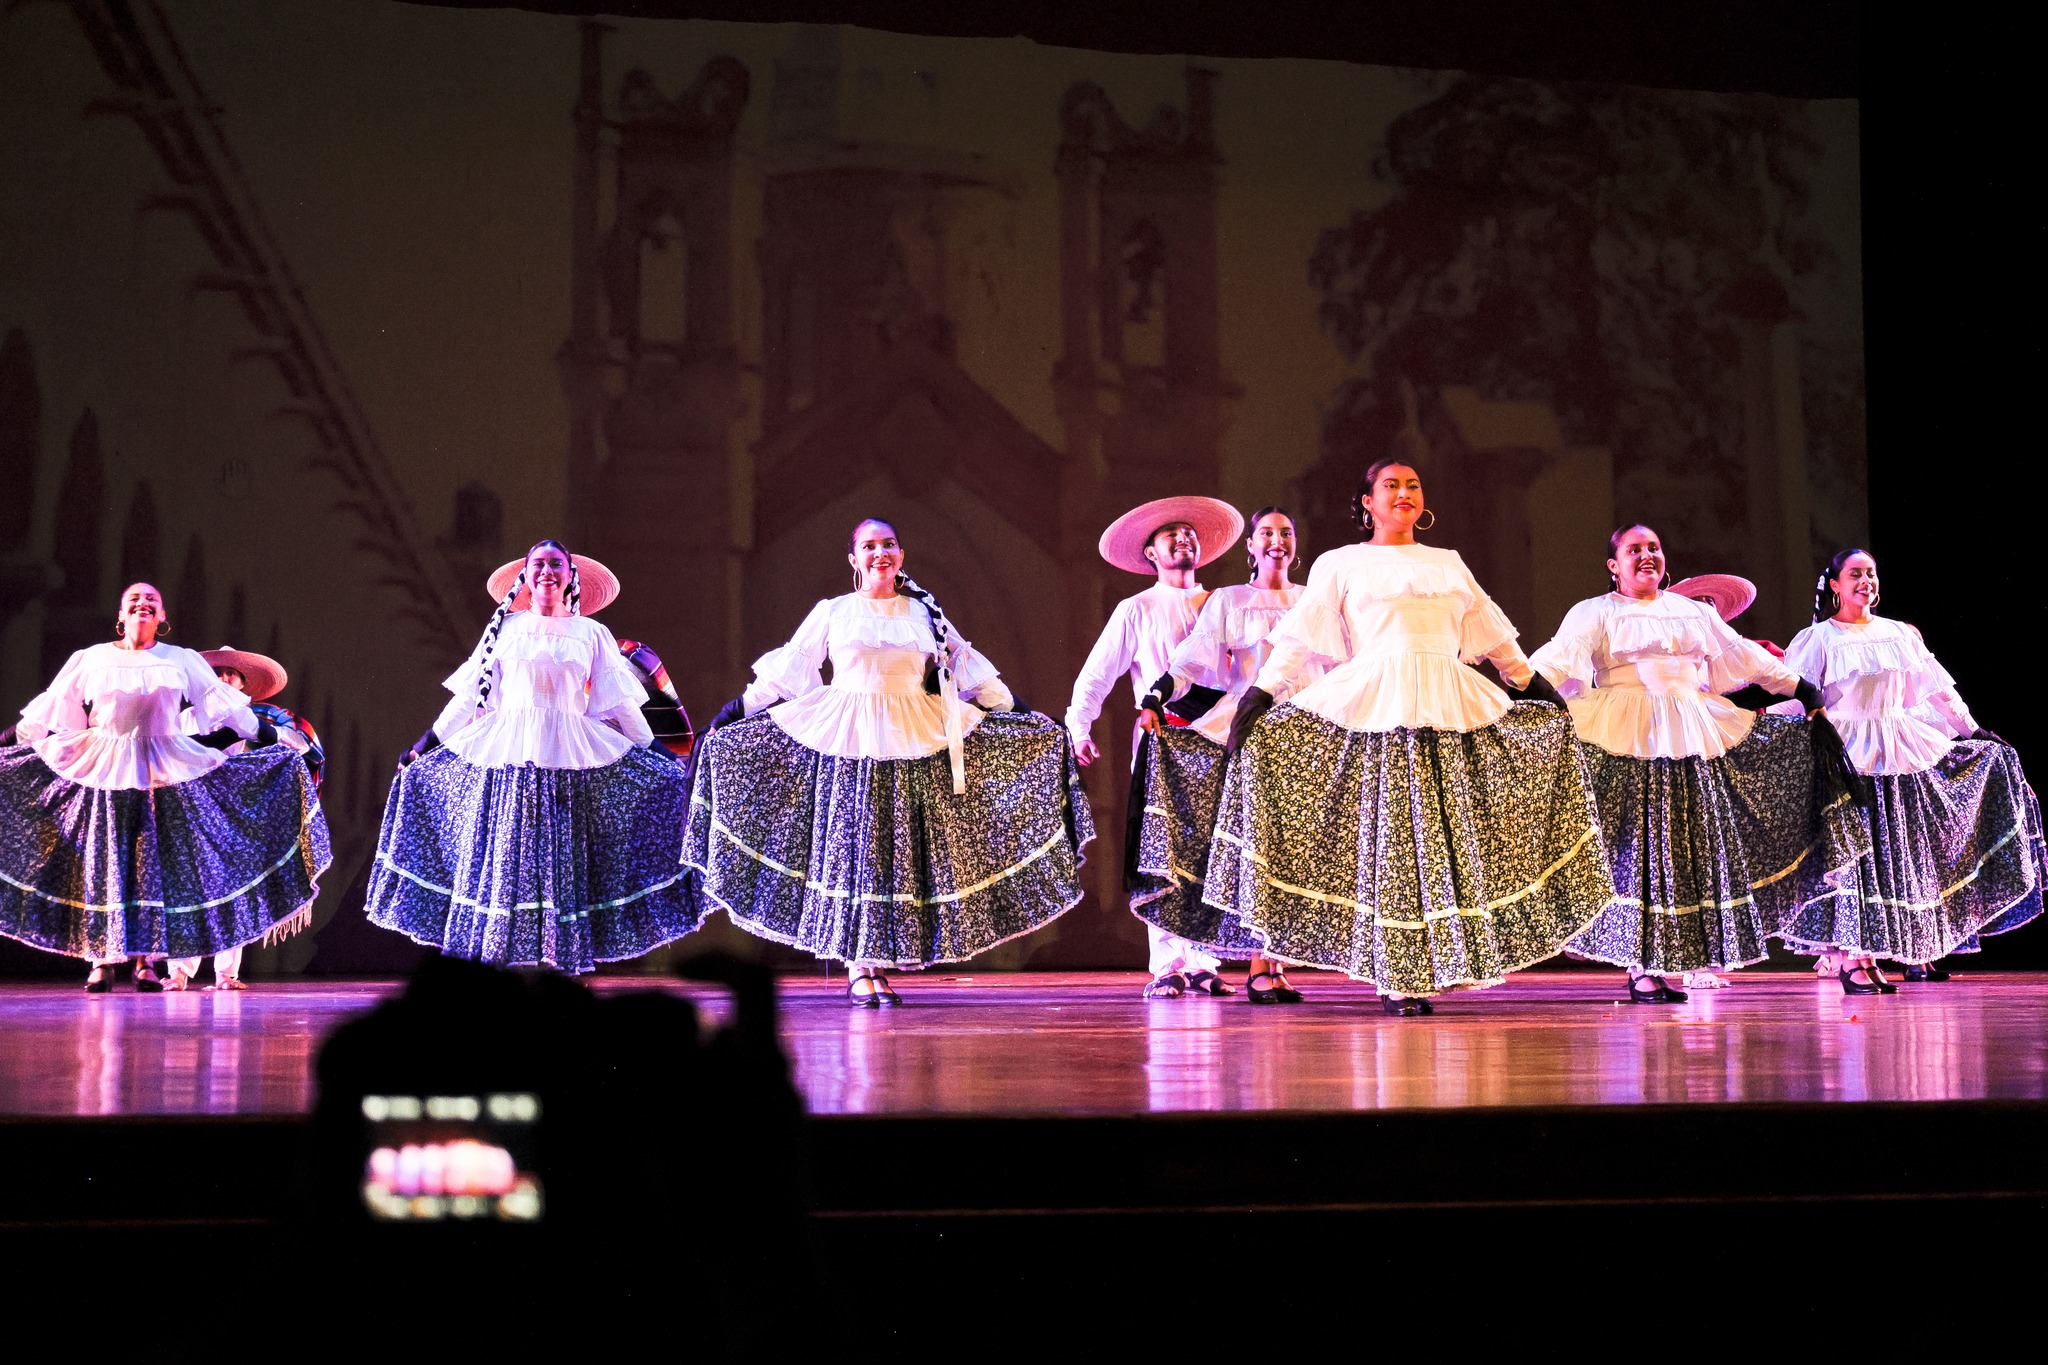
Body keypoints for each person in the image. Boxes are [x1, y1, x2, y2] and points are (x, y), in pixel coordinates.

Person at [1203, 458, 1614, 1015]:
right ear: (1367, 502)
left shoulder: (1448, 562)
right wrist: (1260, 694)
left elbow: (1495, 639)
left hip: (1447, 703)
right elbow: (1298, 642)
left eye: (1413, 485)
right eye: (1391, 485)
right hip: (1379, 706)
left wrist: (1531, 685)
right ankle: (1398, 975)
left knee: (1445, 846)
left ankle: (1441, 961)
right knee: (1396, 846)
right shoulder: (1341, 563)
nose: (1404, 492)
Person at [684, 517, 1094, 1005]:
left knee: (897, 855)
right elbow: (783, 676)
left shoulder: (925, 613)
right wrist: (730, 715)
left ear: (901, 556)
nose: (880, 552)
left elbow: (972, 674)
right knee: (855, 852)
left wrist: (1027, 716)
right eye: (869, 546)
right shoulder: (834, 611)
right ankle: (860, 967)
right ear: (854, 559)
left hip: (913, 736)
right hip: (850, 736)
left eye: (889, 544)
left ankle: (879, 962)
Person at [1529, 526, 1861, 1003]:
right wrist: (1527, 693)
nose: (1647, 555)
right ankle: (1642, 968)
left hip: (1691, 729)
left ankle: (1681, 959)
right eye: (1634, 550)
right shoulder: (1595, 612)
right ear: (1614, 565)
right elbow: (1557, 662)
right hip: (1629, 732)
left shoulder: (1692, 612)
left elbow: (1744, 657)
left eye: (1654, 548)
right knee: (1642, 851)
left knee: (1689, 847)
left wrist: (1801, 689)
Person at [366, 541, 699, 975]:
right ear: (524, 576)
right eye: (538, 564)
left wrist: (660, 755)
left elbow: (623, 707)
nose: (547, 571)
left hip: (568, 757)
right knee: (509, 857)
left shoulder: (591, 633)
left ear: (570, 576)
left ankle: (555, 962)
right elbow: (468, 700)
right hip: (510, 752)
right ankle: (500, 964)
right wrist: (423, 745)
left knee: (558, 859)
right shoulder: (504, 628)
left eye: (556, 564)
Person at [0, 583, 330, 989]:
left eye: (151, 601)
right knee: (104, 860)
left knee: (150, 867)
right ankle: (101, 962)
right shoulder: (90, 658)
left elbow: (232, 714)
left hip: (163, 767)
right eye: (134, 600)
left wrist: (278, 737)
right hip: (105, 763)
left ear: (162, 617)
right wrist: (7, 741)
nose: (143, 603)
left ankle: (144, 963)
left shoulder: (181, 659)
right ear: (121, 615)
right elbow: (46, 715)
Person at [1777, 549, 2044, 992]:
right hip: (1846, 753)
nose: (1865, 581)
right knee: (1856, 859)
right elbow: (1797, 698)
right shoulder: (1818, 638)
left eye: (1871, 573)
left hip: (1897, 748)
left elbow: (1939, 691)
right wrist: (1761, 729)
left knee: (1894, 856)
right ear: (1836, 585)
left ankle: (1890, 955)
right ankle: (1854, 960)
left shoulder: (1899, 634)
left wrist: (1974, 730)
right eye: (1855, 574)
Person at [1131, 507, 1323, 1002]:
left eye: (1286, 532)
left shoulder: (1316, 598)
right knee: (1261, 842)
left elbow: (1346, 661)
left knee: (1296, 846)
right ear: (1251, 546)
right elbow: (1192, 660)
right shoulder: (1231, 600)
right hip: (1250, 724)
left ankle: (1274, 964)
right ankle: (1258, 965)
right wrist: (1155, 697)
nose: (1277, 540)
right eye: (1267, 533)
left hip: (1309, 726)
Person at [1066, 495, 1246, 999]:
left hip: (1219, 737)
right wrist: (1079, 728)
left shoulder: (1224, 605)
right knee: (1162, 847)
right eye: (1171, 535)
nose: (1183, 540)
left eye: (1189, 534)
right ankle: (1168, 964)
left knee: (1211, 849)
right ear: (1151, 552)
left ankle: (1205, 959)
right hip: (1164, 736)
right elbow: (1097, 675)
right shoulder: (1137, 609)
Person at [164, 645, 327, 990]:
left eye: (231, 674)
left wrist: (256, 736)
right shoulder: (185, 718)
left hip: (239, 813)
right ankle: (178, 972)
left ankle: (227, 974)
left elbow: (303, 746)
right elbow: (171, 753)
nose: (223, 679)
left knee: (234, 888)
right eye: (217, 673)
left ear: (242, 683)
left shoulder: (260, 717)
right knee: (187, 887)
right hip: (193, 810)